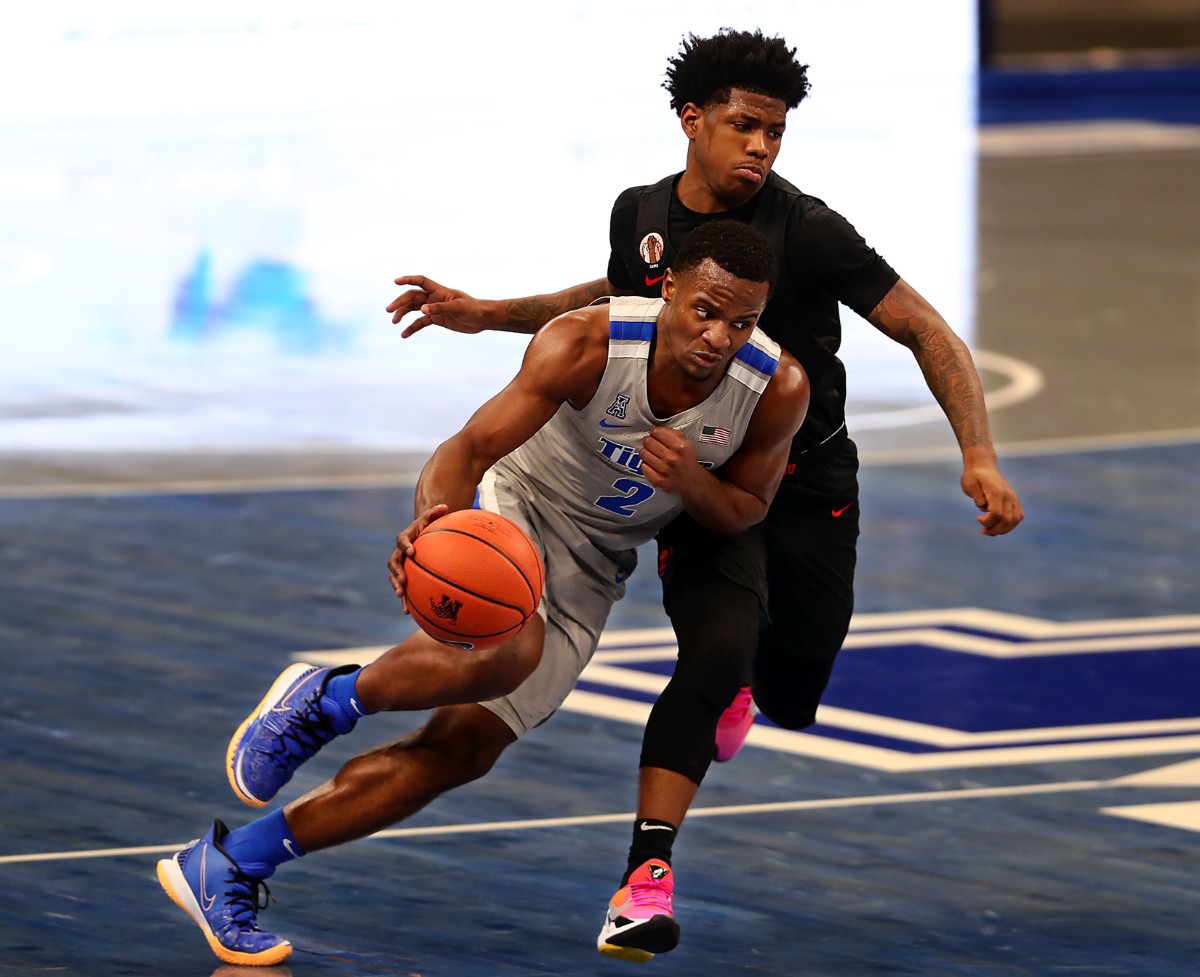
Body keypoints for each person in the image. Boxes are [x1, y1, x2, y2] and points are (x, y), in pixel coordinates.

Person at [385, 27, 1026, 960]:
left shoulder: (808, 229)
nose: (763, 147)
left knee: (794, 679)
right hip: (700, 478)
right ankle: (646, 874)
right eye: (746, 125)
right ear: (693, 120)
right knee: (717, 649)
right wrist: (489, 314)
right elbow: (610, 297)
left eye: (776, 132)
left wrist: (979, 452)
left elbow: (926, 330)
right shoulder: (642, 214)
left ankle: (750, 683)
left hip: (806, 480)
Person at [156, 220, 811, 966]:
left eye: (742, 321)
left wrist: (691, 480)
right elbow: (465, 451)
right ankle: (331, 697)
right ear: (667, 290)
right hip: (516, 508)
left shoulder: (776, 386)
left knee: (462, 749)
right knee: (510, 646)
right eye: (705, 310)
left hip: (597, 564)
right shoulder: (587, 344)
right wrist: (433, 521)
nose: (720, 336)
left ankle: (230, 862)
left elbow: (747, 508)